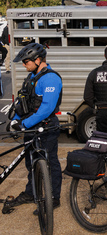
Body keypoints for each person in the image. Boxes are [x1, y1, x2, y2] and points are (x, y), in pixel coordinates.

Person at [6, 43, 63, 212]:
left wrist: (24, 124)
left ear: (38, 60)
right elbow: (22, 103)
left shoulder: (51, 78)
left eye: (26, 62)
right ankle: (31, 193)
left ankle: (53, 198)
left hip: (46, 128)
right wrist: (15, 120)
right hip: (31, 129)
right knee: (31, 163)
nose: (24, 65)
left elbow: (46, 108)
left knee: (50, 163)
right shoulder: (31, 77)